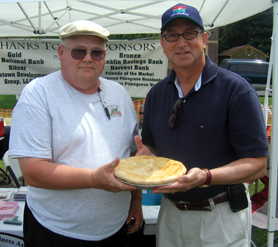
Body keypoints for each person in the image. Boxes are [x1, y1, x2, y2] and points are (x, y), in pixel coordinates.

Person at [135, 3, 269, 247]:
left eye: (190, 33)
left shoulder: (236, 90)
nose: (181, 42)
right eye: (172, 35)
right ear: (163, 44)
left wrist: (206, 177)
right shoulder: (156, 94)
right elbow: (152, 147)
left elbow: (257, 165)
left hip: (220, 214)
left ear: (204, 39)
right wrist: (146, 156)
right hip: (171, 213)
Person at [9, 20, 142, 247]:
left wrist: (136, 201)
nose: (88, 58)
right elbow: (32, 172)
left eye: (96, 52)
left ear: (104, 56)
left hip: (116, 228)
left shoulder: (119, 93)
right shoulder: (38, 93)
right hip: (56, 232)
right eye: (79, 51)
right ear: (61, 52)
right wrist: (93, 179)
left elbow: (132, 158)